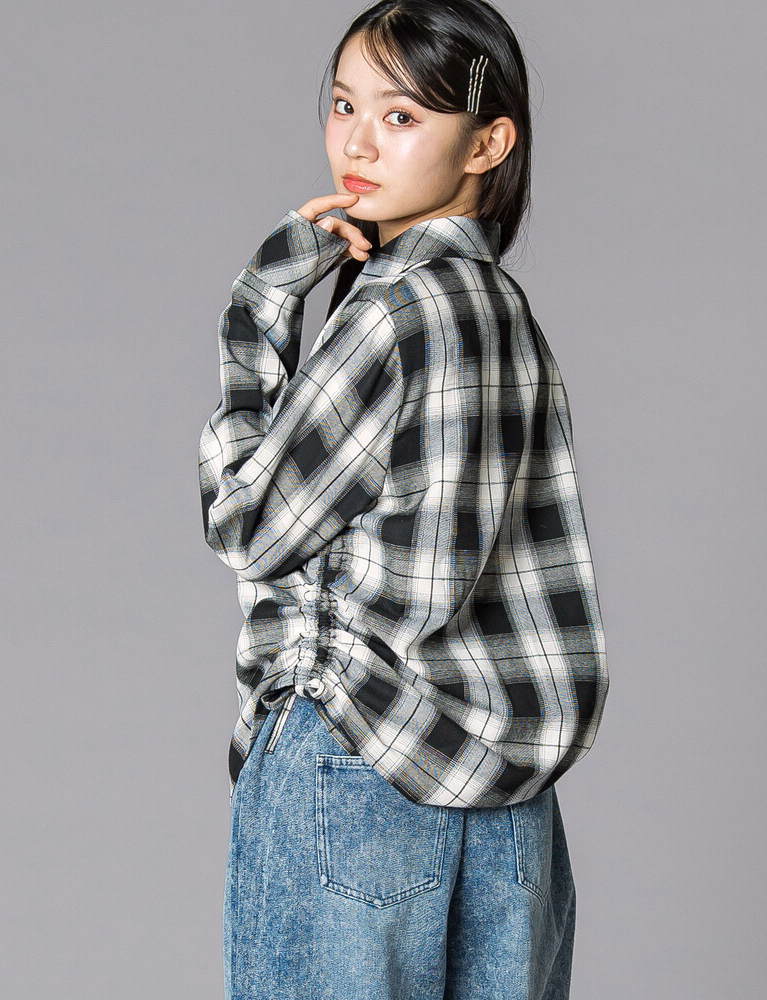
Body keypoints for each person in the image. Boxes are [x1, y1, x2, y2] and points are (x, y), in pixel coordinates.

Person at [197, 1, 609, 997]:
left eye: (401, 115)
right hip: (508, 799)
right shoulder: (506, 315)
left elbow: (249, 526)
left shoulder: (392, 309)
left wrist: (261, 308)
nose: (356, 142)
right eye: (345, 105)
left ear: (488, 143)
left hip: (355, 758)